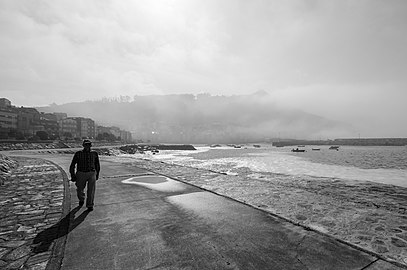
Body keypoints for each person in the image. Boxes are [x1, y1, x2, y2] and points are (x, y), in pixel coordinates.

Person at [69, 139, 100, 211]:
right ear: (83, 145)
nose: (87, 146)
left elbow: (97, 164)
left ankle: (90, 205)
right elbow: (72, 165)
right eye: (86, 144)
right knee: (79, 189)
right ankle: (81, 199)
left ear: (91, 145)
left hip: (91, 173)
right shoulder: (78, 153)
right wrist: (73, 175)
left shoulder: (94, 153)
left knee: (91, 190)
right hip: (81, 173)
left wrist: (97, 174)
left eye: (89, 144)